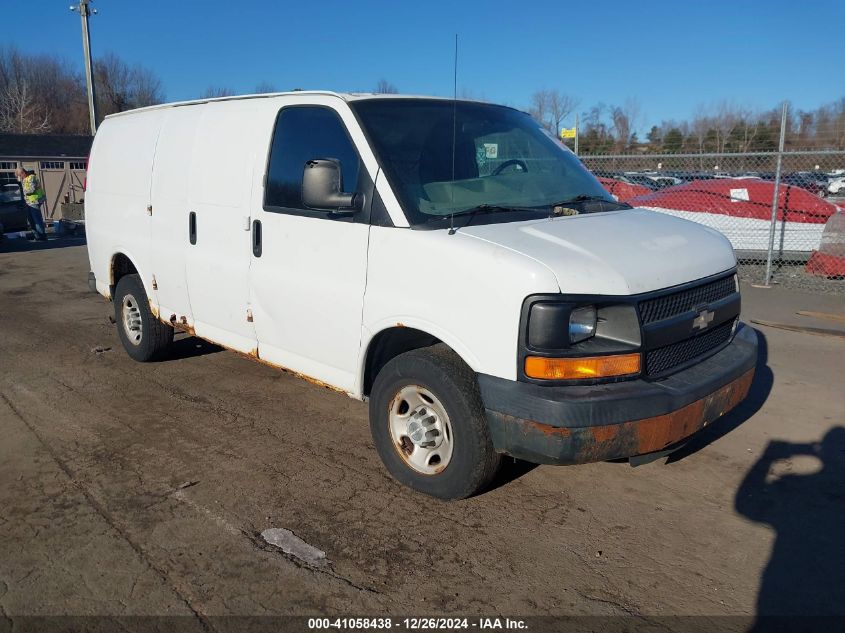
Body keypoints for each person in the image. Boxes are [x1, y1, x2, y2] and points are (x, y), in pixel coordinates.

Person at [15, 166, 47, 241]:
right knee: (31, 221)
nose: (20, 177)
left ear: (23, 173)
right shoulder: (25, 179)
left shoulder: (31, 177)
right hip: (29, 202)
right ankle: (37, 236)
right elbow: (24, 189)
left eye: (20, 175)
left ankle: (42, 237)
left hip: (35, 201)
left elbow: (32, 189)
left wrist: (23, 192)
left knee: (37, 220)